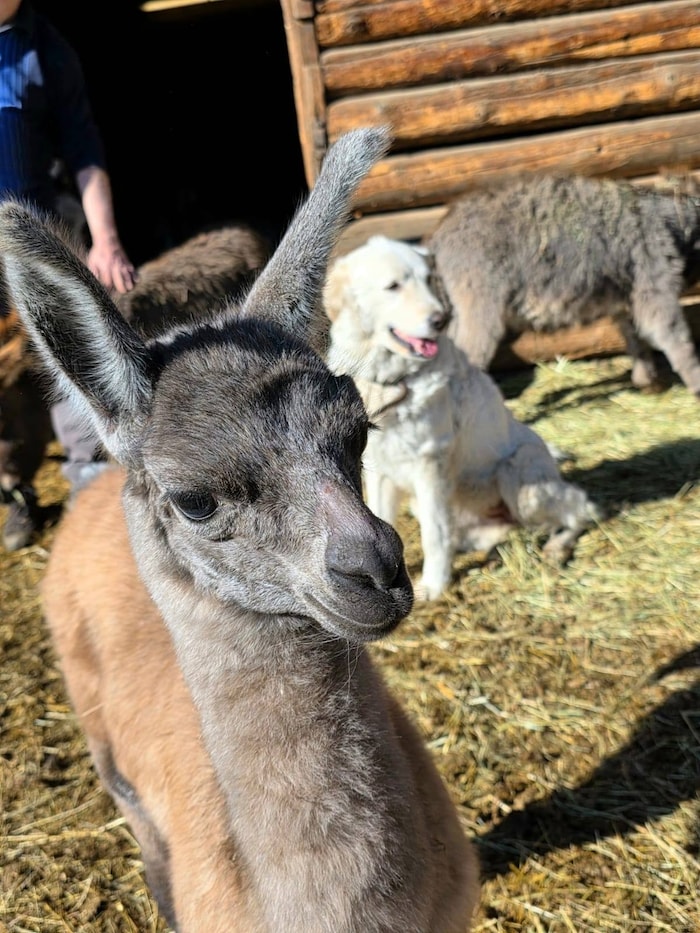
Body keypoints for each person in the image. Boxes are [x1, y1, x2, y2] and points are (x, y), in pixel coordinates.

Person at [0, 0, 137, 494]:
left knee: (66, 355)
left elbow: (84, 149)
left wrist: (105, 241)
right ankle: (16, 488)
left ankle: (89, 483)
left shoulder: (47, 51)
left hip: (31, 246)